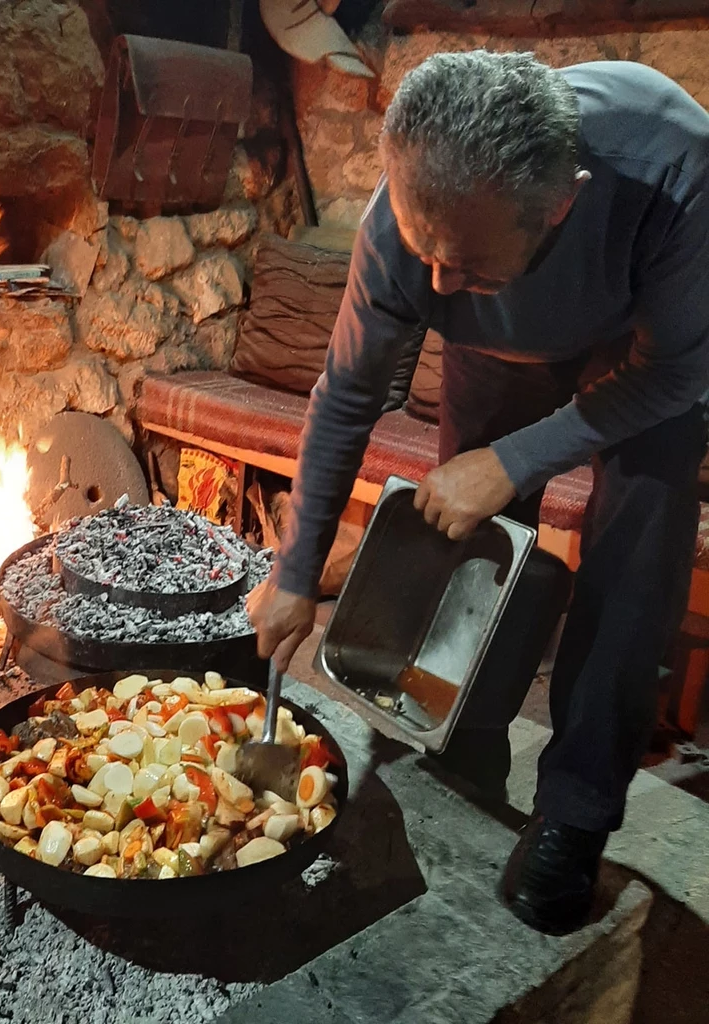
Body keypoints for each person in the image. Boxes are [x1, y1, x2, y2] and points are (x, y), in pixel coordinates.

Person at [248, 50, 709, 936]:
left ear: (561, 205)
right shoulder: (413, 226)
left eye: (464, 267)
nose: (436, 290)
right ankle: (466, 740)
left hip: (646, 356)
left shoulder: (674, 167)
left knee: (639, 550)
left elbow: (679, 373)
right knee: (468, 536)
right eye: (425, 257)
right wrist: (298, 570)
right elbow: (346, 396)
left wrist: (518, 457)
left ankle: (573, 813)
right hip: (507, 346)